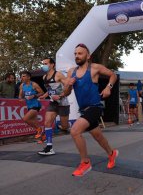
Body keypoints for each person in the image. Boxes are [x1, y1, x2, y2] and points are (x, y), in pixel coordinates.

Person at [65, 43, 118, 176]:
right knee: (98, 136)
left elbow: (113, 75)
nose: (77, 56)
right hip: (84, 109)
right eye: (75, 54)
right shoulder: (72, 72)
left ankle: (85, 162)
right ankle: (112, 153)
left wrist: (108, 87)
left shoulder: (95, 68)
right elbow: (66, 93)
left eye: (80, 53)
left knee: (75, 131)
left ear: (88, 56)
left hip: (95, 107)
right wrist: (68, 85)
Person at [37, 58, 70, 155]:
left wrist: (60, 95)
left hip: (63, 103)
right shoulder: (44, 77)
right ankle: (49, 147)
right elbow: (50, 89)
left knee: (64, 126)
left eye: (46, 63)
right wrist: (45, 95)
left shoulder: (58, 74)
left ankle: (68, 126)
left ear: (52, 65)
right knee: (47, 123)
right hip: (53, 103)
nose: (44, 65)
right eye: (43, 63)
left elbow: (68, 87)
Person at [18, 71, 45, 142]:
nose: (22, 78)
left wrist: (34, 95)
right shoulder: (22, 85)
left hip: (36, 104)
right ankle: (43, 137)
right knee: (34, 121)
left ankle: (39, 130)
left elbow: (42, 92)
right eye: (21, 76)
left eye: (23, 76)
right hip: (29, 105)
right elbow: (20, 96)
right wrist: (21, 98)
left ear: (28, 77)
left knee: (25, 119)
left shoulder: (34, 84)